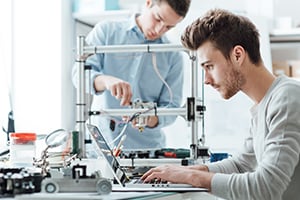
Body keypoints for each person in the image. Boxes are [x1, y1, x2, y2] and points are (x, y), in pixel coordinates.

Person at [141, 9, 300, 200]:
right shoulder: (264, 104)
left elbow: (266, 188)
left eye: (209, 66)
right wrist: (194, 170)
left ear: (238, 55)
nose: (206, 80)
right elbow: (241, 165)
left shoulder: (287, 97)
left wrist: (192, 176)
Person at [72, 0, 191, 150]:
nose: (159, 29)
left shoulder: (173, 56)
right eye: (158, 18)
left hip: (146, 151)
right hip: (99, 144)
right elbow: (79, 75)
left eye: (169, 27)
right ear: (148, 3)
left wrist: (148, 118)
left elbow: (171, 108)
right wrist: (105, 81)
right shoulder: (107, 31)